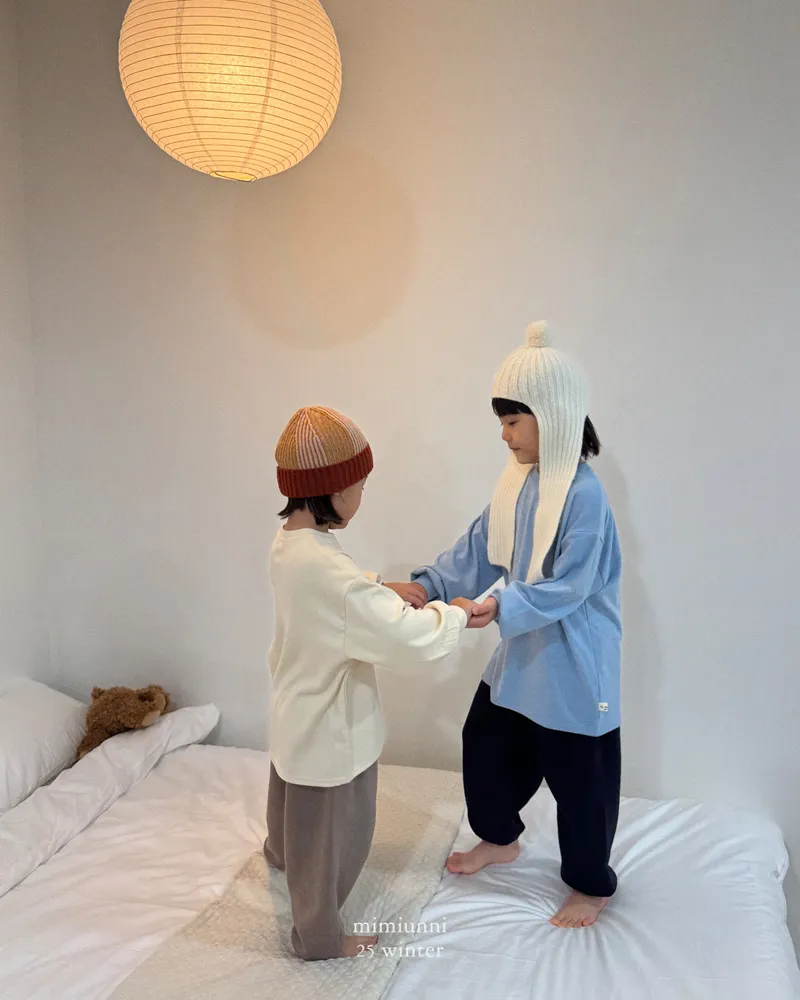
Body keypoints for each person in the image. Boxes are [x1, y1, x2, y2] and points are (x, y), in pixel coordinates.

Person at [387, 322, 622, 929]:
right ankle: (500, 838)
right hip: (521, 655)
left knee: (581, 784)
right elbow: (479, 548)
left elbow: (572, 585)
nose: (504, 433)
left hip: (573, 666)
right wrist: (430, 586)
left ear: (554, 417)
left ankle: (590, 885)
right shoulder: (517, 485)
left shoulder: (585, 497)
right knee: (486, 745)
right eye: (503, 420)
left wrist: (501, 609)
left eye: (514, 420)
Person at [266, 405, 476, 960]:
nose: (362, 496)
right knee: (332, 832)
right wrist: (453, 614)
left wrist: (378, 586)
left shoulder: (289, 544)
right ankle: (320, 938)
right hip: (330, 729)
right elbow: (407, 640)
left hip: (296, 708)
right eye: (359, 486)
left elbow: (334, 594)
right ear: (334, 490)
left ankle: (279, 853)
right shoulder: (336, 580)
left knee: (289, 803)